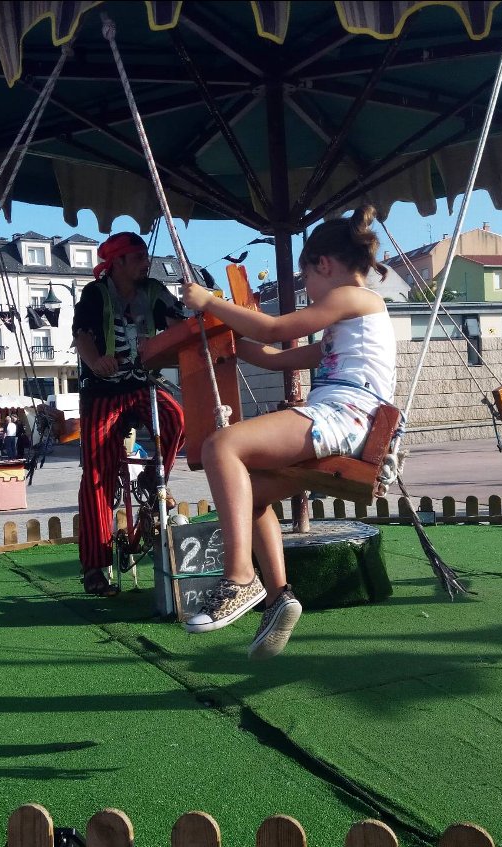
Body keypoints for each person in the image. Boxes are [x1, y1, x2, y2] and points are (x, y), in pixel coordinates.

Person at [179, 205, 396, 659]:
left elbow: (278, 329)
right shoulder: (350, 326)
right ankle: (278, 596)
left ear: (324, 265)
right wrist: (227, 337)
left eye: (306, 284)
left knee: (221, 445)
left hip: (346, 414)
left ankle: (239, 577)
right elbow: (274, 357)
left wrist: (211, 302)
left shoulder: (355, 298)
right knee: (249, 494)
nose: (309, 293)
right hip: (346, 414)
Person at [72, 231, 187, 597]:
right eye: (137, 257)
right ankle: (95, 566)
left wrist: (180, 333)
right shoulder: (95, 294)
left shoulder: (154, 290)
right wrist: (96, 361)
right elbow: (83, 335)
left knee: (177, 419)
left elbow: (178, 325)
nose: (145, 262)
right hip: (104, 390)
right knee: (96, 476)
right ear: (117, 262)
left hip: (144, 385)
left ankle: (157, 479)